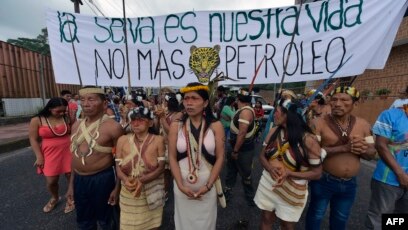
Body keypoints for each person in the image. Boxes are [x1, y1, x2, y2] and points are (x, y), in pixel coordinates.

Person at [305, 86, 376, 230]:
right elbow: (310, 154)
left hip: (350, 183)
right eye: (334, 99)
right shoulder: (317, 123)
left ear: (355, 103)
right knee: (316, 215)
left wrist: (362, 149)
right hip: (323, 180)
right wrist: (344, 148)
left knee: (341, 218)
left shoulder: (363, 125)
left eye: (344, 100)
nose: (338, 103)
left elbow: (371, 153)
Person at [254, 99, 322, 229]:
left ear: (287, 115)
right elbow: (262, 156)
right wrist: (269, 168)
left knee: (287, 225)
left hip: (292, 189)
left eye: (277, 112)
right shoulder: (274, 131)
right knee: (266, 218)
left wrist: (289, 173)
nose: (274, 114)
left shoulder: (308, 140)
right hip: (269, 182)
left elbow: (317, 173)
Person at [168, 82, 225, 230]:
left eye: (194, 98)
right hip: (182, 185)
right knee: (183, 223)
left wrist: (208, 186)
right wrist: (180, 185)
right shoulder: (176, 125)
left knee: (206, 224)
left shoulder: (215, 126)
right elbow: (172, 157)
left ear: (205, 102)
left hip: (207, 184)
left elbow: (220, 158)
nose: (189, 103)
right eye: (186, 98)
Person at [67, 86, 123, 230]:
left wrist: (117, 188)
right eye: (82, 100)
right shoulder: (75, 126)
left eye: (91, 99)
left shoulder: (113, 127)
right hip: (79, 180)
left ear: (104, 104)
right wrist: (71, 186)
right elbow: (74, 157)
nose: (85, 104)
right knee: (84, 221)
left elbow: (120, 161)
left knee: (107, 221)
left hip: (103, 180)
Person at [115, 106, 166, 230]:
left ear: (150, 123)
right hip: (129, 190)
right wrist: (125, 180)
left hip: (152, 189)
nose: (136, 123)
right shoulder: (122, 140)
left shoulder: (158, 140)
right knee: (128, 225)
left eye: (141, 120)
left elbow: (161, 168)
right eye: (133, 120)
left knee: (153, 225)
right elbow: (118, 166)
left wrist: (143, 180)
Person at [365, 103, 408, 229]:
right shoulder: (390, 115)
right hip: (388, 179)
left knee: (399, 219)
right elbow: (381, 145)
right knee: (378, 219)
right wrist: (400, 174)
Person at [29, 97, 74, 213]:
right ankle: (54, 197)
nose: (61, 113)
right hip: (49, 152)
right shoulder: (37, 119)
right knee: (51, 181)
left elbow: (74, 131)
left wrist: (72, 119)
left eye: (64, 111)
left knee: (71, 175)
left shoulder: (66, 117)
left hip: (68, 149)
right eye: (58, 111)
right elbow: (33, 139)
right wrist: (39, 156)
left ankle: (71, 198)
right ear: (49, 109)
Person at [225, 88, 257, 206]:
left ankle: (249, 197)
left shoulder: (245, 112)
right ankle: (228, 192)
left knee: (245, 173)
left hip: (242, 150)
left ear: (239, 100)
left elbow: (242, 133)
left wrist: (235, 150)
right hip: (237, 148)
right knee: (231, 171)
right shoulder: (244, 110)